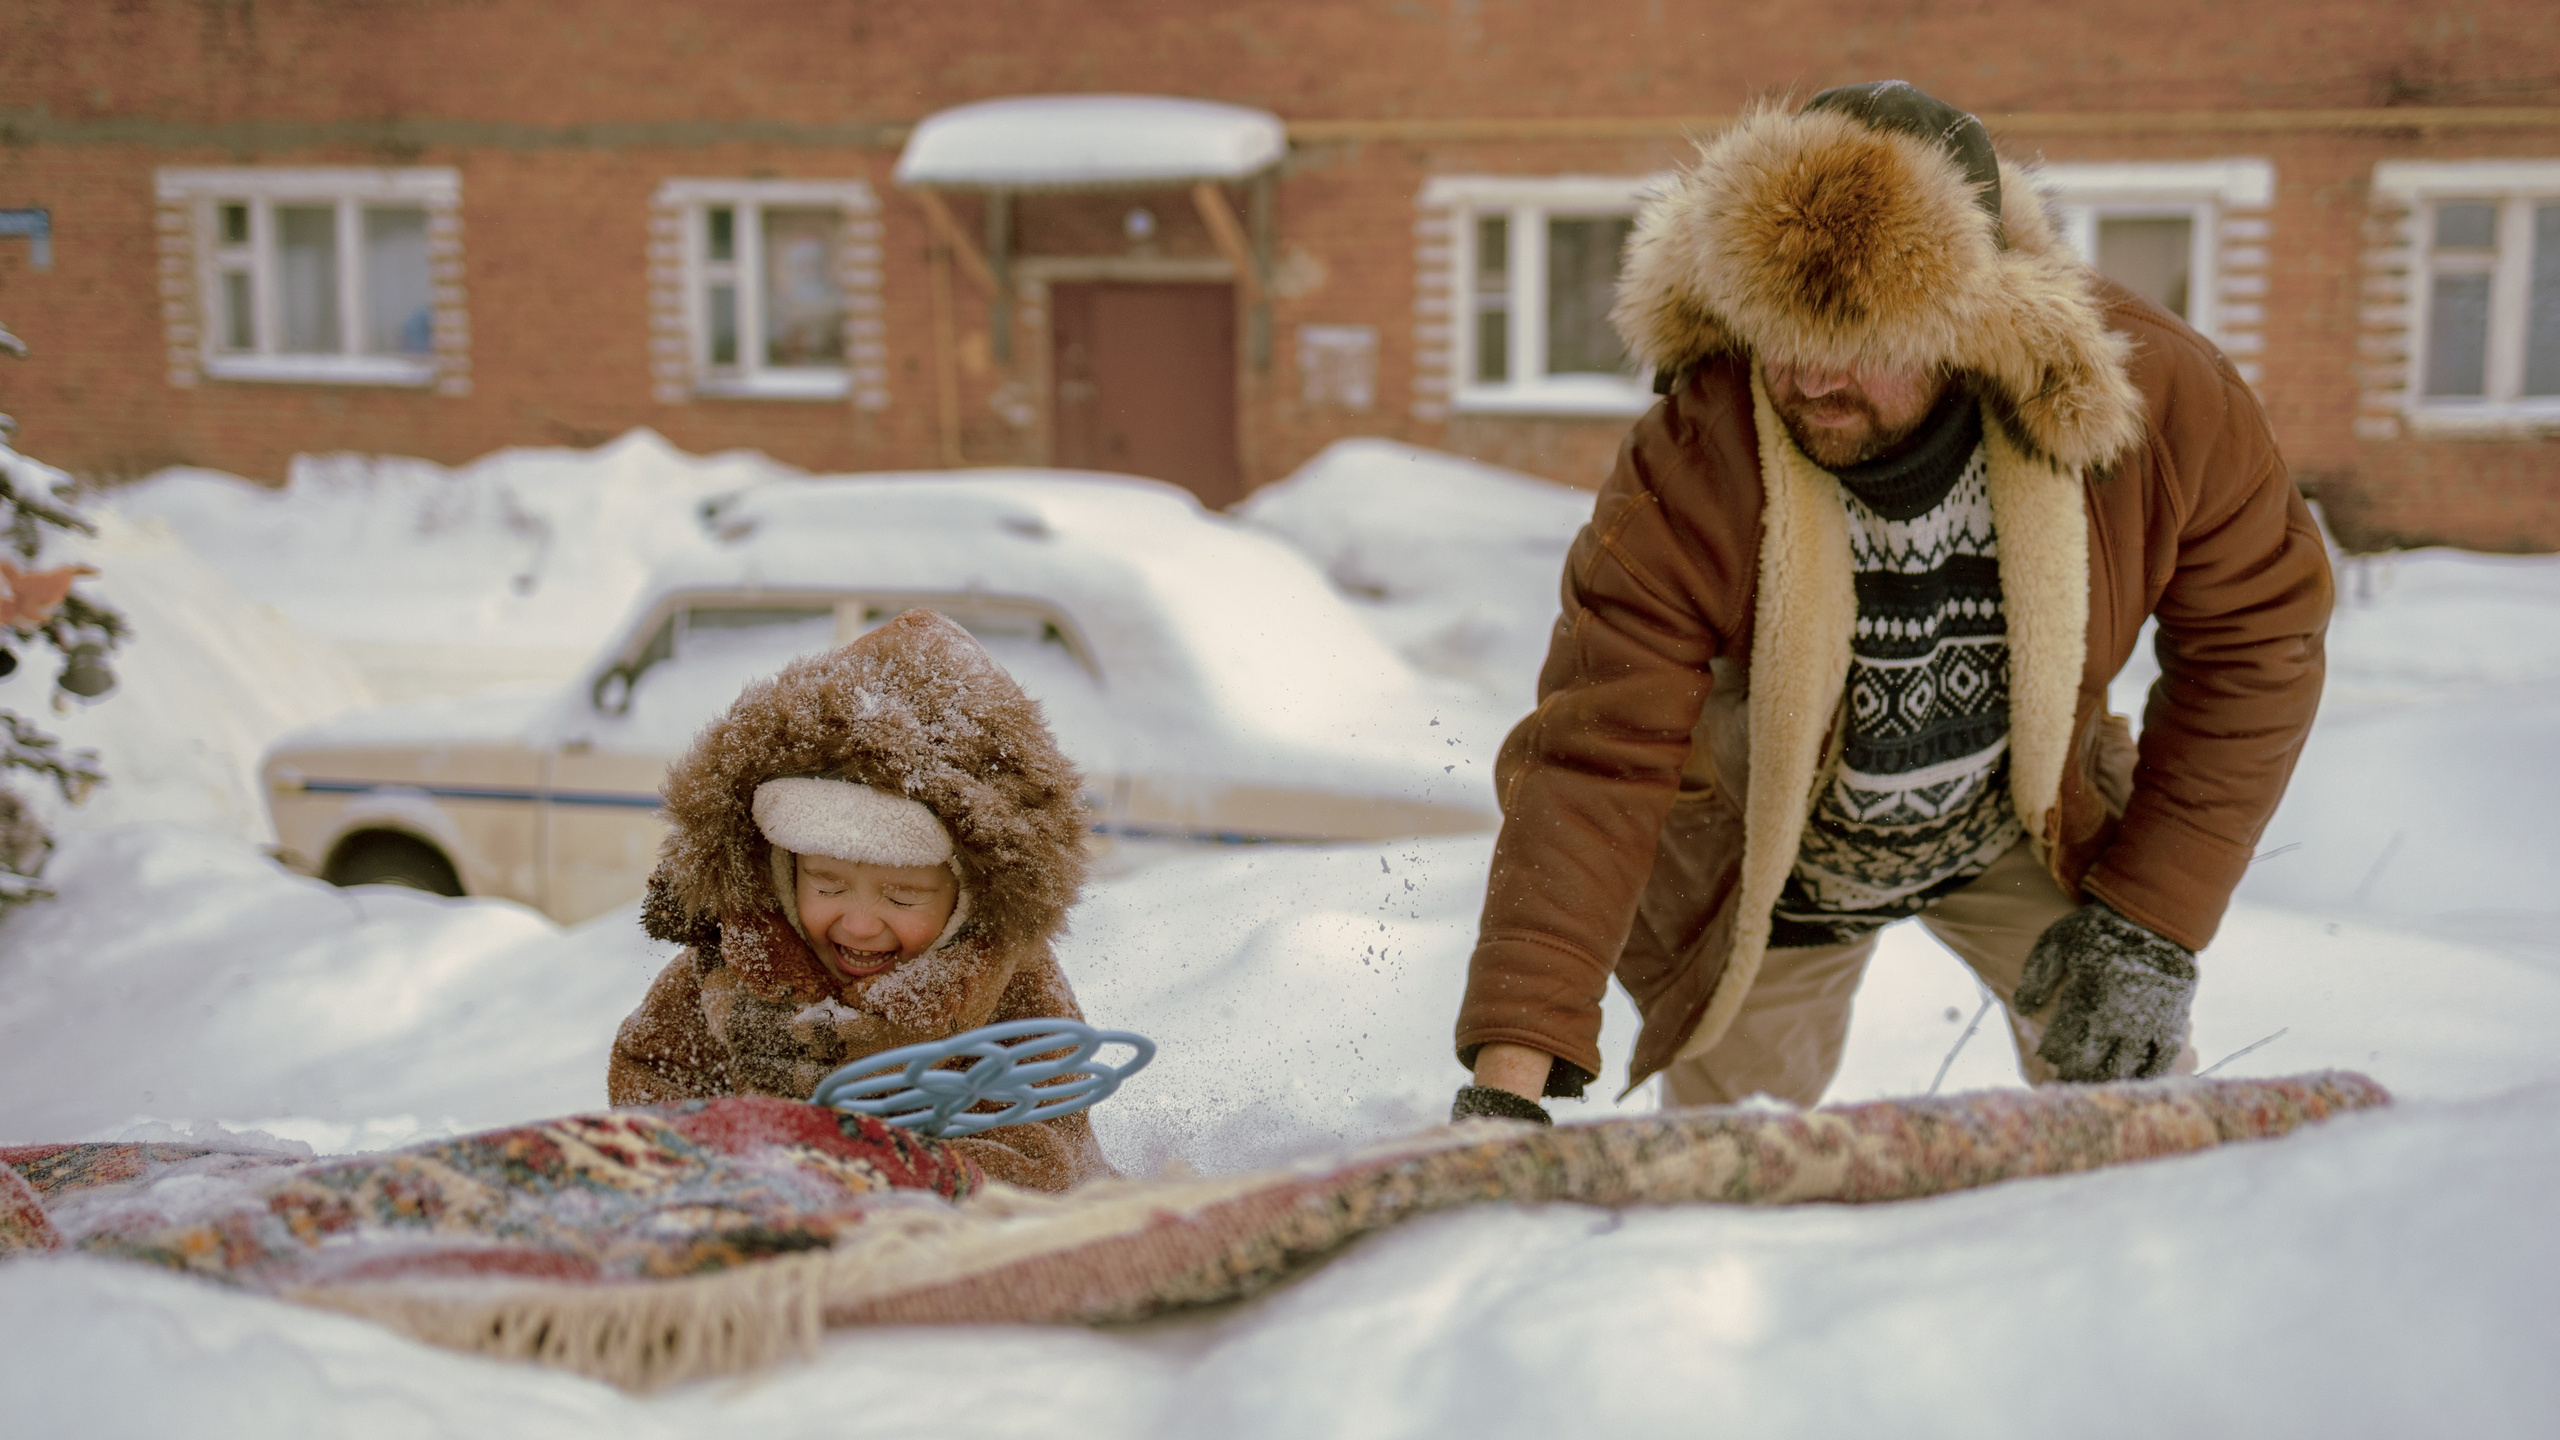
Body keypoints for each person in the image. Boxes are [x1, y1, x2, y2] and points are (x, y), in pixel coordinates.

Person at [1450, 81, 2332, 1124]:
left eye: (1860, 339)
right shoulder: (1696, 456)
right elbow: (1597, 753)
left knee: (2140, 1117)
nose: (1811, 379)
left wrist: (2151, 922)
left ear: (1973, 318)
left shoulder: (2161, 402)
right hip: (1778, 864)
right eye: (1782, 333)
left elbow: (2258, 643)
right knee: (1725, 1159)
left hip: (2033, 824)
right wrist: (1509, 1075)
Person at [609, 608, 1114, 1191]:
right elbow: (653, 1072)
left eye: (903, 897)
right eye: (827, 886)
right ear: (782, 872)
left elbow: (1047, 1151)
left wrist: (897, 1174)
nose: (860, 923)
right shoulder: (736, 968)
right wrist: (711, 1161)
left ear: (970, 900)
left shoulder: (1016, 995)